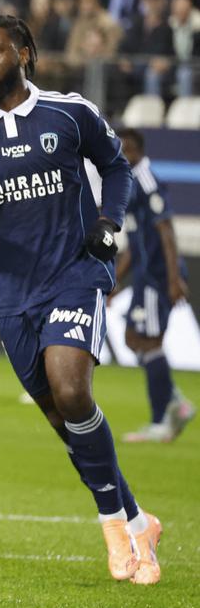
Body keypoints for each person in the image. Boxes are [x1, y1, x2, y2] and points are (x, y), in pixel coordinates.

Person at [0, 15, 162, 585]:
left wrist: (108, 222)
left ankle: (112, 528)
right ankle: (138, 521)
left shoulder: (69, 112)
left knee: (71, 386)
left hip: (74, 274)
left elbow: (117, 168)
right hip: (10, 292)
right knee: (64, 420)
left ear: (25, 54)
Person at [113, 128, 196, 443]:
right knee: (135, 338)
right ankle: (174, 403)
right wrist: (117, 280)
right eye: (119, 148)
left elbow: (166, 231)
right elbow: (135, 244)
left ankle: (164, 417)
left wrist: (174, 278)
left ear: (139, 150)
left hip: (158, 277)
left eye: (128, 148)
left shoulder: (146, 180)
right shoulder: (130, 182)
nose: (123, 153)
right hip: (145, 276)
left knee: (148, 341)